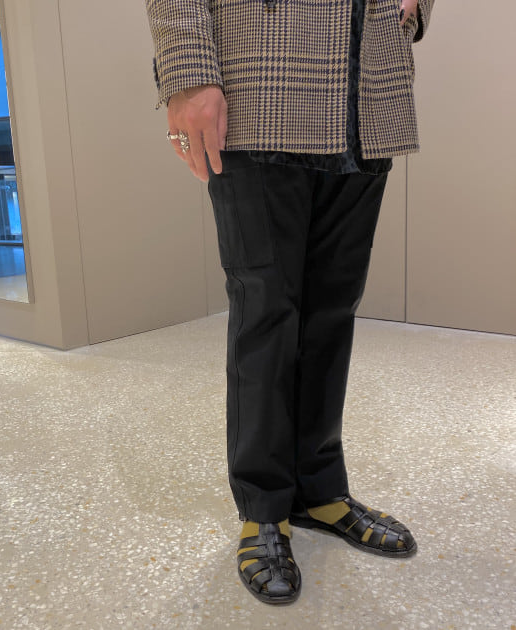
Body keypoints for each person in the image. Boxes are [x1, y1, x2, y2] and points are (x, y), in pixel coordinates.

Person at [146, 0, 435, 605]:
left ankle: (320, 491)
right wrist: (188, 71)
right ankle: (263, 507)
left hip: (367, 87)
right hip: (259, 77)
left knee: (333, 311)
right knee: (265, 310)